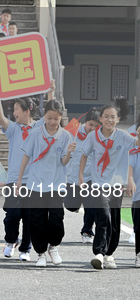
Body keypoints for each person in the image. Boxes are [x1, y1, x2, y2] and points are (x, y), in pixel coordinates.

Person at [79, 98, 140, 269]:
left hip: (116, 185)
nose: (109, 120)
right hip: (99, 184)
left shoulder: (122, 136)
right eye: (106, 116)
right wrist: (81, 177)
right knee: (103, 216)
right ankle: (98, 252)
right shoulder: (93, 137)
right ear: (101, 118)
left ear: (118, 119)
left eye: (113, 117)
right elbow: (84, 155)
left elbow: (137, 144)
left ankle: (109, 254)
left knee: (114, 219)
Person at [17, 100, 75, 267]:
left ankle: (53, 246)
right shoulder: (36, 133)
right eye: (49, 118)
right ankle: (41, 253)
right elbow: (26, 156)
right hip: (36, 184)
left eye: (56, 119)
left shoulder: (65, 136)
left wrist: (69, 152)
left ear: (60, 118)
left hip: (56, 185)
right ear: (44, 116)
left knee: (57, 218)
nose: (52, 122)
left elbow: (64, 162)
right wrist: (20, 179)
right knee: (37, 219)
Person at [0, 86, 41, 262]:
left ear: (27, 110)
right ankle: (11, 240)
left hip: (33, 181)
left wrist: (51, 91)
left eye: (16, 110)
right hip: (13, 180)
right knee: (12, 214)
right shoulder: (13, 129)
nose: (14, 113)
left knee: (28, 216)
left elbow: (53, 117)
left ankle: (26, 248)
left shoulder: (39, 127)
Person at [64, 108, 101, 244]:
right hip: (72, 177)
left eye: (97, 126)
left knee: (91, 207)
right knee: (71, 206)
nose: (92, 128)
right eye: (91, 124)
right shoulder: (72, 131)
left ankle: (87, 231)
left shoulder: (101, 137)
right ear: (85, 122)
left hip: (90, 178)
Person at [127, 138, 140, 267]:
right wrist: (129, 181)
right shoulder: (133, 153)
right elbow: (129, 173)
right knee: (138, 226)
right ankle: (139, 254)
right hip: (138, 195)